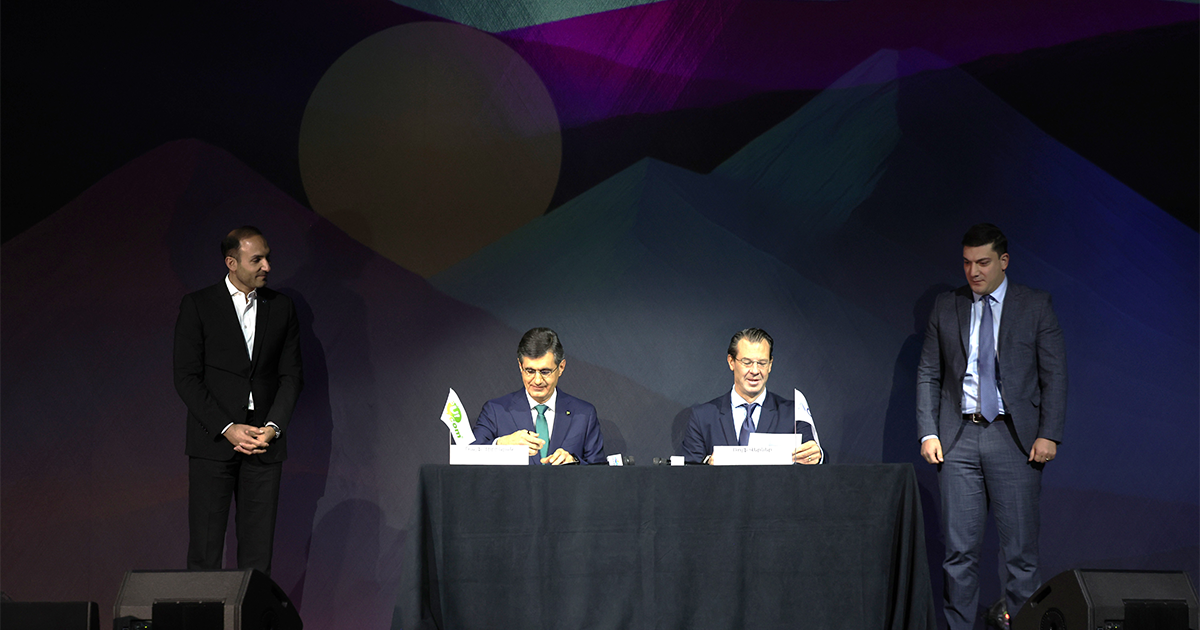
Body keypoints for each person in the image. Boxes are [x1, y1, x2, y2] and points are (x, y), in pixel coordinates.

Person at [916, 223, 1067, 629]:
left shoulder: (1035, 305)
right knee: (958, 554)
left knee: (1020, 555)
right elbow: (929, 372)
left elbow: (1054, 374)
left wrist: (1049, 433)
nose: (973, 271)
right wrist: (929, 431)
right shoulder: (946, 306)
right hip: (958, 439)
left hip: (1014, 440)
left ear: (1004, 261)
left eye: (982, 262)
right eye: (967, 263)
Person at [174, 226, 303, 575]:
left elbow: (291, 376)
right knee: (205, 552)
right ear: (232, 263)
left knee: (257, 557)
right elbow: (186, 378)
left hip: (264, 442)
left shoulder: (282, 307)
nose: (267, 267)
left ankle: (252, 611)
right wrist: (227, 427)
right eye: (256, 260)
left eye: (267, 258)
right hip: (214, 442)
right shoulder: (198, 305)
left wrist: (273, 427)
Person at [679, 328, 823, 465]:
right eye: (747, 362)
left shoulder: (793, 413)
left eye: (762, 363)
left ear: (770, 365)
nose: (755, 370)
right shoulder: (703, 417)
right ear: (731, 362)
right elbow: (688, 471)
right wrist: (708, 463)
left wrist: (816, 456)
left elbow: (815, 462)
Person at [471, 328, 605, 465]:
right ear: (520, 367)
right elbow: (468, 458)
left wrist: (574, 462)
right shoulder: (495, 411)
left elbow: (600, 469)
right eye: (530, 371)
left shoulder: (584, 414)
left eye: (545, 371)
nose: (537, 380)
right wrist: (501, 444)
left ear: (561, 367)